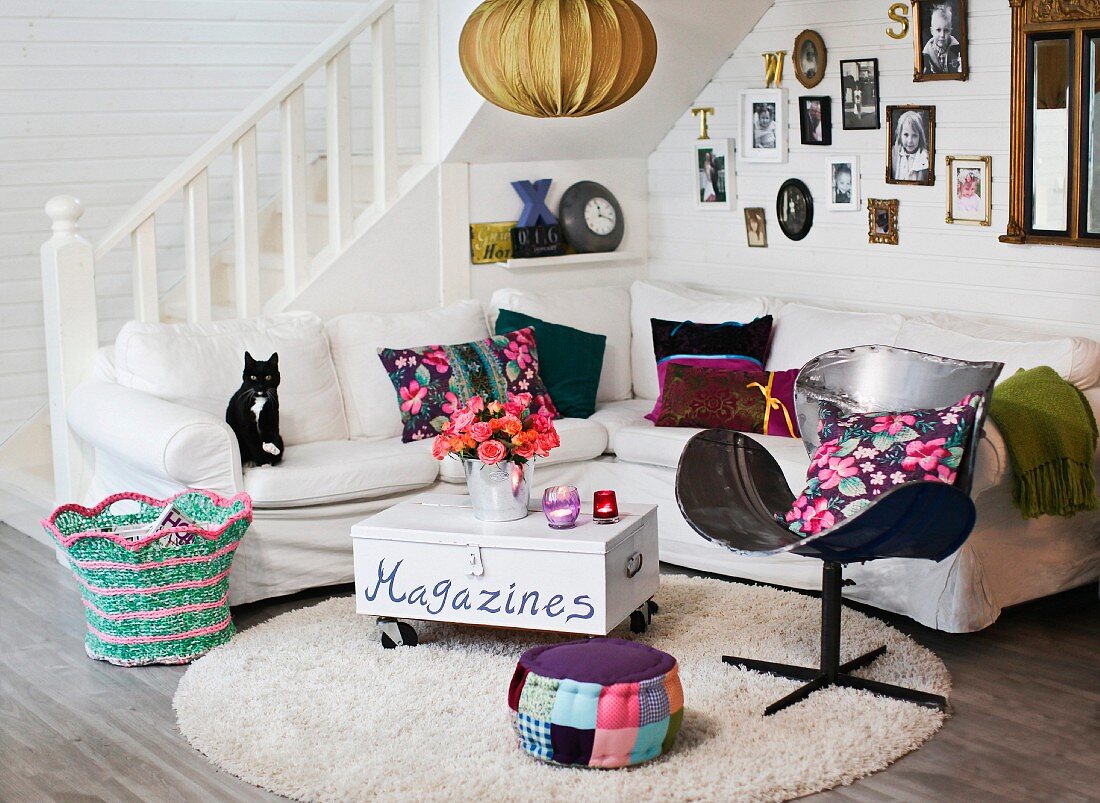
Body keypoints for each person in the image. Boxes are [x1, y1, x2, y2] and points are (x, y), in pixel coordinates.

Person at [922, 3, 962, 74]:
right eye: (938, 30)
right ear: (932, 31)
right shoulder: (927, 53)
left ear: (950, 31)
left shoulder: (957, 49)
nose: (942, 35)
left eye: (946, 30)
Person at [891, 110, 929, 182]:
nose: (910, 141)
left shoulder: (925, 158)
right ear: (900, 135)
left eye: (914, 136)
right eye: (906, 135)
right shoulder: (893, 155)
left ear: (920, 137)